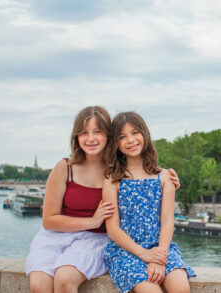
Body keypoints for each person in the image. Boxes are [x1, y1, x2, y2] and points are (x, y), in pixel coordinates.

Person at [25, 107, 180, 293]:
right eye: (83, 133)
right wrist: (91, 221)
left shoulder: (117, 171)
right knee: (38, 285)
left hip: (96, 239)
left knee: (64, 280)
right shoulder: (65, 168)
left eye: (97, 132)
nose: (90, 138)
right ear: (76, 137)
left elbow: (144, 180)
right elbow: (49, 220)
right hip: (57, 237)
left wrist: (169, 185)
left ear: (109, 136)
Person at [103, 112, 195, 293]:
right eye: (122, 136)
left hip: (159, 247)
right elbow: (112, 228)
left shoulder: (164, 176)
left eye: (135, 132)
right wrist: (144, 254)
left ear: (145, 134)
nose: (130, 140)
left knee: (181, 288)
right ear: (116, 143)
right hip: (125, 251)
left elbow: (168, 221)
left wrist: (159, 257)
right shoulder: (112, 179)